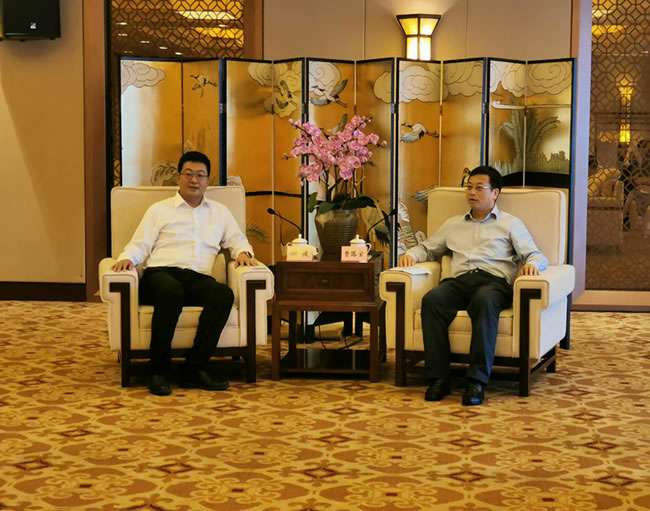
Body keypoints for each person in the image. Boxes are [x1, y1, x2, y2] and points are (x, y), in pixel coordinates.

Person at [398, 165, 548, 406]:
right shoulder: (453, 224)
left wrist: (532, 265)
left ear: (495, 193)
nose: (472, 192)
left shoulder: (510, 224)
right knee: (432, 300)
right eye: (469, 187)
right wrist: (411, 255)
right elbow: (428, 248)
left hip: (493, 283)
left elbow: (535, 254)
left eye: (479, 188)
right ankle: (439, 378)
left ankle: (476, 381)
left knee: (483, 301)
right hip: (459, 281)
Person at [112, 151, 256, 396]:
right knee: (171, 292)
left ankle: (194, 369)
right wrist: (127, 258)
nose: (194, 180)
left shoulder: (219, 212)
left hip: (197, 277)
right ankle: (158, 371)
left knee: (222, 295)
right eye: (188, 174)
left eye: (200, 175)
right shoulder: (159, 210)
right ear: (179, 177)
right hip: (160, 274)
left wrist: (243, 252)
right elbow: (140, 243)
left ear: (207, 180)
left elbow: (237, 240)